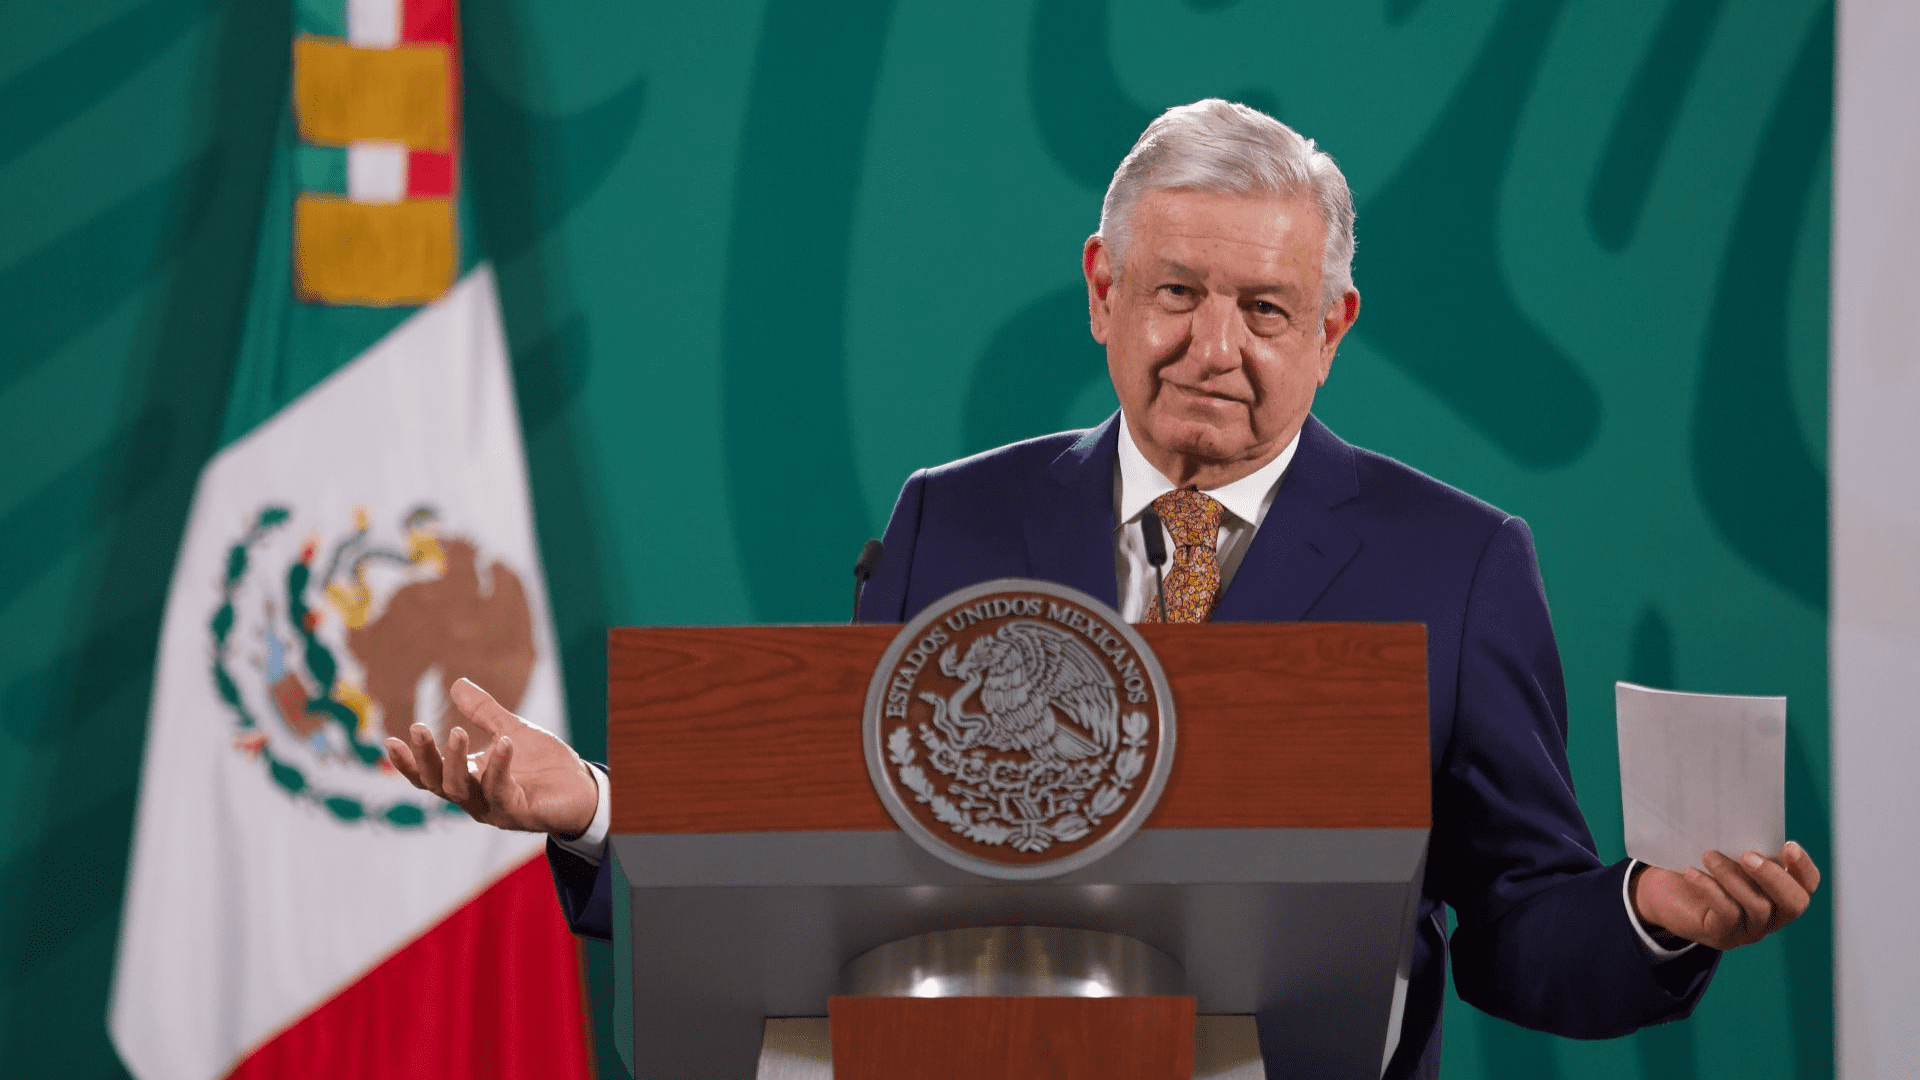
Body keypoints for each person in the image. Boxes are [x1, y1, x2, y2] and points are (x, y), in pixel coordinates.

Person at [387, 99, 1821, 1077]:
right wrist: (591, 802)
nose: (1214, 346)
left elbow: (1516, 924)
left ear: (1333, 328)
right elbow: (825, 841)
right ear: (1101, 289)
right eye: (1177, 292)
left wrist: (1654, 912)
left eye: (1265, 310)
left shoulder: (1459, 563)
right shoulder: (950, 520)